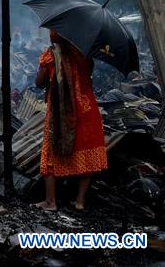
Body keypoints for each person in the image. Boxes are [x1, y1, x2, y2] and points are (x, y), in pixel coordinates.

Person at [35, 31, 107, 211]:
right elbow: (87, 74)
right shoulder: (85, 54)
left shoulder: (51, 55)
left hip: (60, 114)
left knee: (51, 156)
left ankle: (51, 202)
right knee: (87, 154)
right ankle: (80, 201)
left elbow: (39, 82)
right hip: (88, 111)